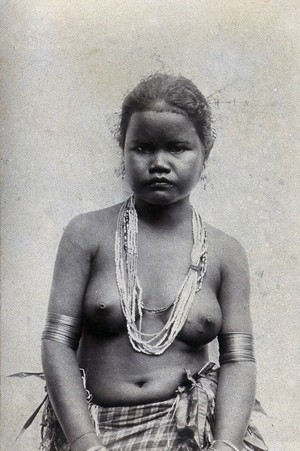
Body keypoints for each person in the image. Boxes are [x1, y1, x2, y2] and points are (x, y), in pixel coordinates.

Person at [41, 74, 268, 451]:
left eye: (178, 148)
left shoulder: (226, 252)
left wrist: (226, 444)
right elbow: (56, 344)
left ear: (205, 153)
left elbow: (238, 361)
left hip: (189, 432)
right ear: (123, 150)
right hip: (94, 429)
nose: (159, 163)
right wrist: (83, 441)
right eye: (142, 148)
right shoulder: (86, 234)